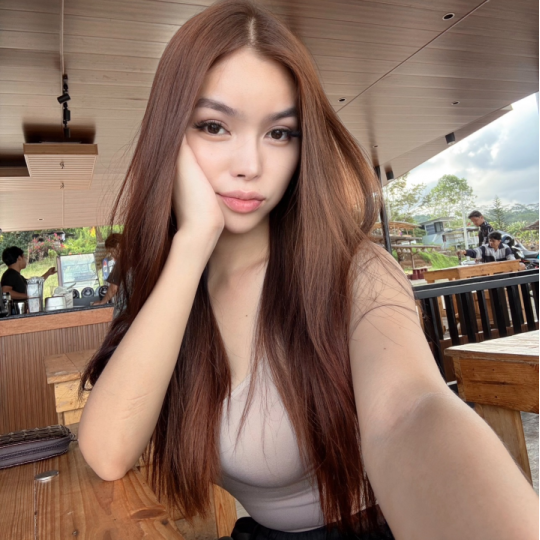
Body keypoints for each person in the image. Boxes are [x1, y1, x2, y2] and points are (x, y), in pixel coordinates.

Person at [78, 2, 539, 539]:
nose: (250, 166)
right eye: (213, 126)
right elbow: (108, 451)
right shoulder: (169, 284)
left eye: (280, 133)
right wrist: (193, 243)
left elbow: (408, 411)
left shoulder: (354, 270)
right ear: (170, 135)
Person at [457, 231, 527, 270]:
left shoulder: (506, 248)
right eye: (490, 240)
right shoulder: (485, 248)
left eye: (493, 241)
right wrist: (465, 252)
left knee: (521, 265)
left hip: (503, 270)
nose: (491, 242)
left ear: (499, 241)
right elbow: (475, 252)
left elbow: (512, 260)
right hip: (488, 270)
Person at [92, 233, 122, 307]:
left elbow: (113, 289)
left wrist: (102, 302)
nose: (112, 255)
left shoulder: (121, 263)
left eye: (111, 251)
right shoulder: (134, 258)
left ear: (117, 247)